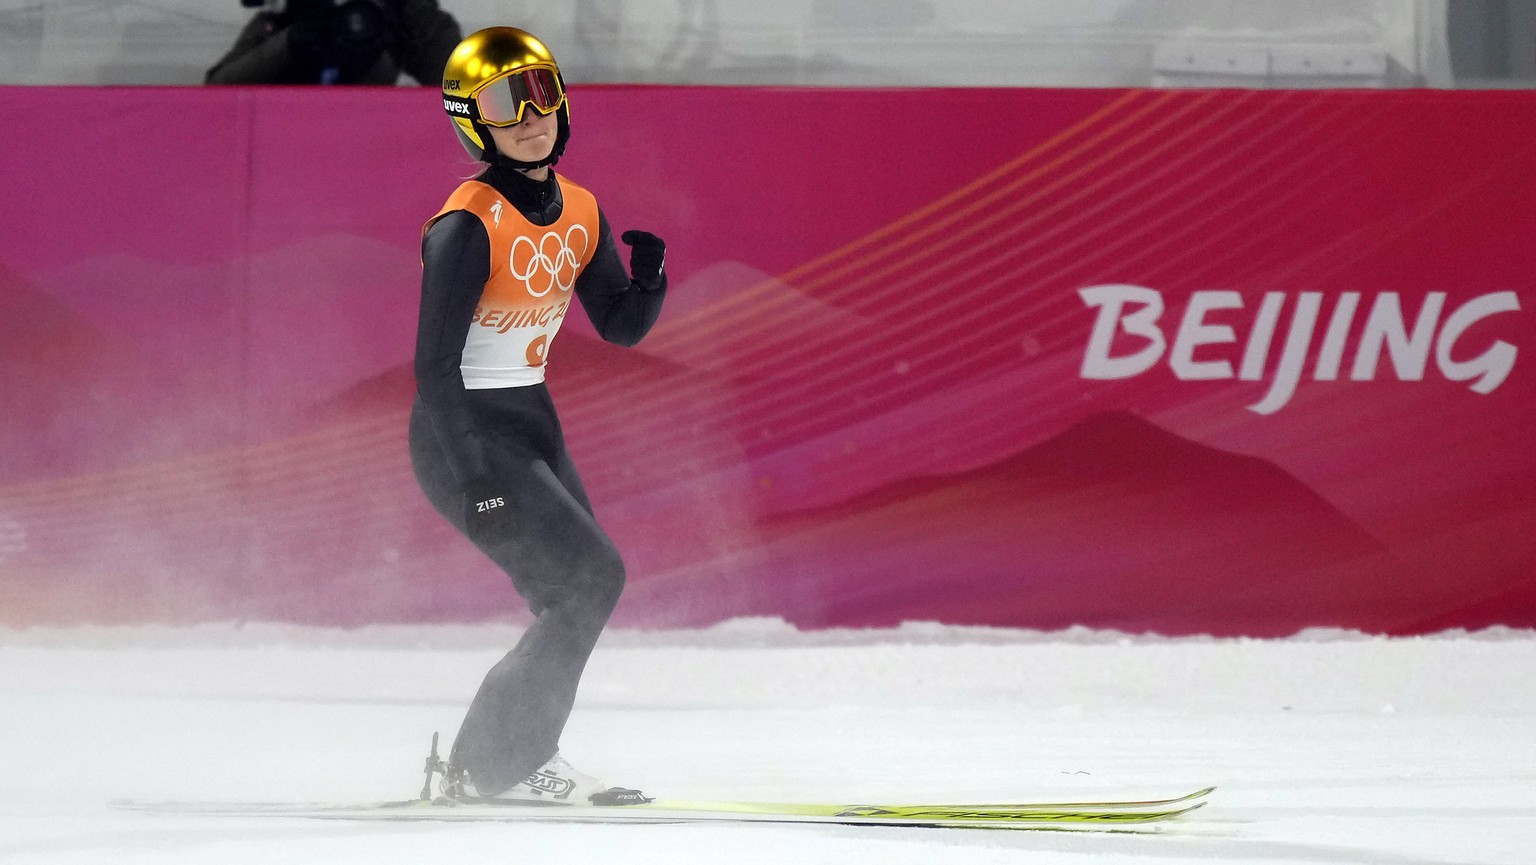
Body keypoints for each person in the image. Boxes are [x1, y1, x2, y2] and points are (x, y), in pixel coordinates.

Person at [409, 26, 668, 806]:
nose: (530, 115)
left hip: (531, 420)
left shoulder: (580, 208)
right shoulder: (467, 225)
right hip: (465, 434)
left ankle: (502, 759)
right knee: (591, 578)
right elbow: (433, 366)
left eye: (542, 92)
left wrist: (650, 279)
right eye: (503, 101)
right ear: (472, 121)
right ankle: (498, 763)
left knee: (582, 589)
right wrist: (475, 476)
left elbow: (618, 325)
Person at [205, 0, 461, 85]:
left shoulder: (402, 14)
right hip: (286, 139)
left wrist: (401, 18)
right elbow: (218, 94)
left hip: (376, 143)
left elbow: (459, 88)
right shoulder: (287, 15)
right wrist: (292, 42)